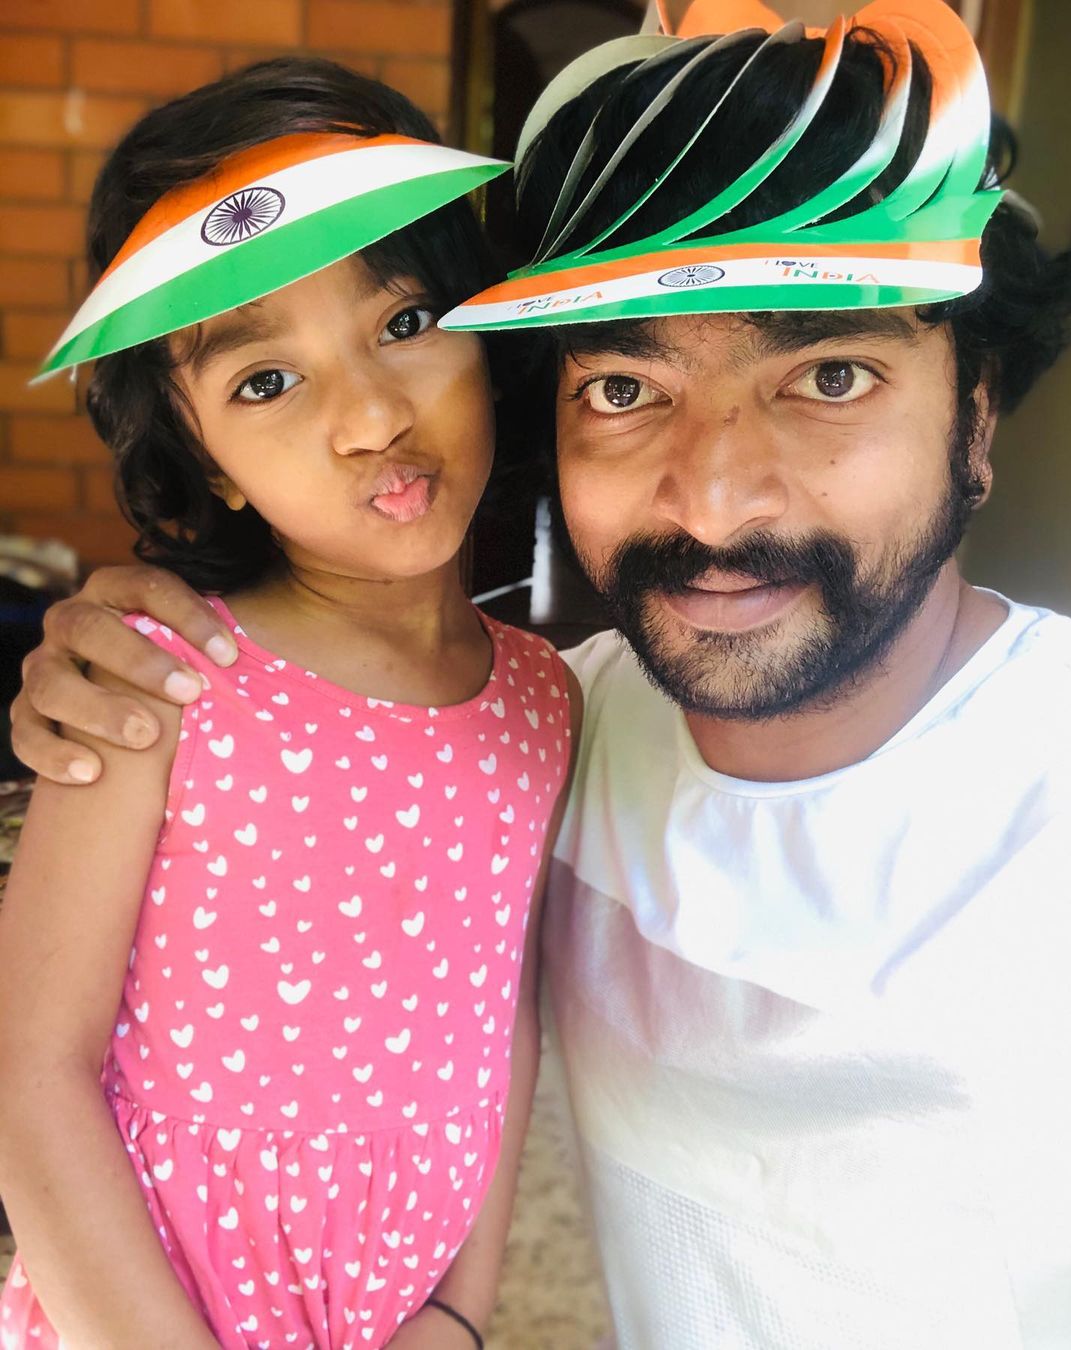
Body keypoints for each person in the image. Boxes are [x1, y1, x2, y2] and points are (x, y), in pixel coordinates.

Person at [9, 1, 1071, 1346]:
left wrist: (456, 1316)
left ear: (976, 417)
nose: (716, 498)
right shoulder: (576, 716)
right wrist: (89, 649)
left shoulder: (1045, 786)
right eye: (625, 388)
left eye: (831, 373)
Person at [0, 58, 579, 1350]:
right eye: (266, 381)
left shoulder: (545, 697)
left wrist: (461, 1310)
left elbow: (503, 1019)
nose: (371, 416)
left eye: (407, 320)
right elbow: (29, 1072)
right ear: (207, 460)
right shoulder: (158, 676)